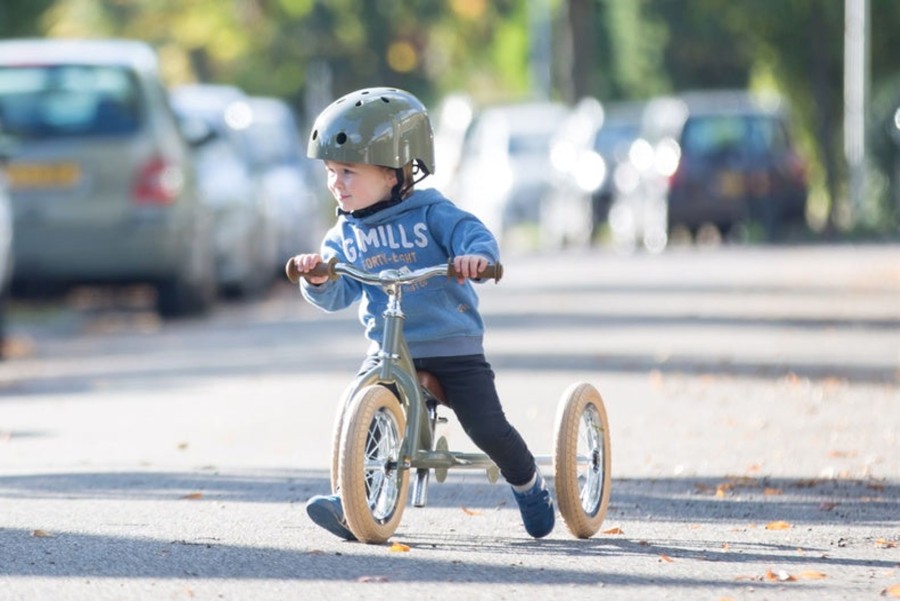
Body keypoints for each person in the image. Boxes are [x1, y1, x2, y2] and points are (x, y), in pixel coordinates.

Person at [288, 87, 554, 540]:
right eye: (332, 172)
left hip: (451, 343)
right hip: (389, 348)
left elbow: (472, 234)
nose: (337, 183)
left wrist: (474, 257)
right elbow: (340, 292)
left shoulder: (432, 212)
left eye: (349, 171)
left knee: (487, 426)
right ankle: (355, 502)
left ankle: (529, 485)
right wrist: (318, 280)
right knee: (362, 408)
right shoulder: (345, 233)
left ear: (395, 172)